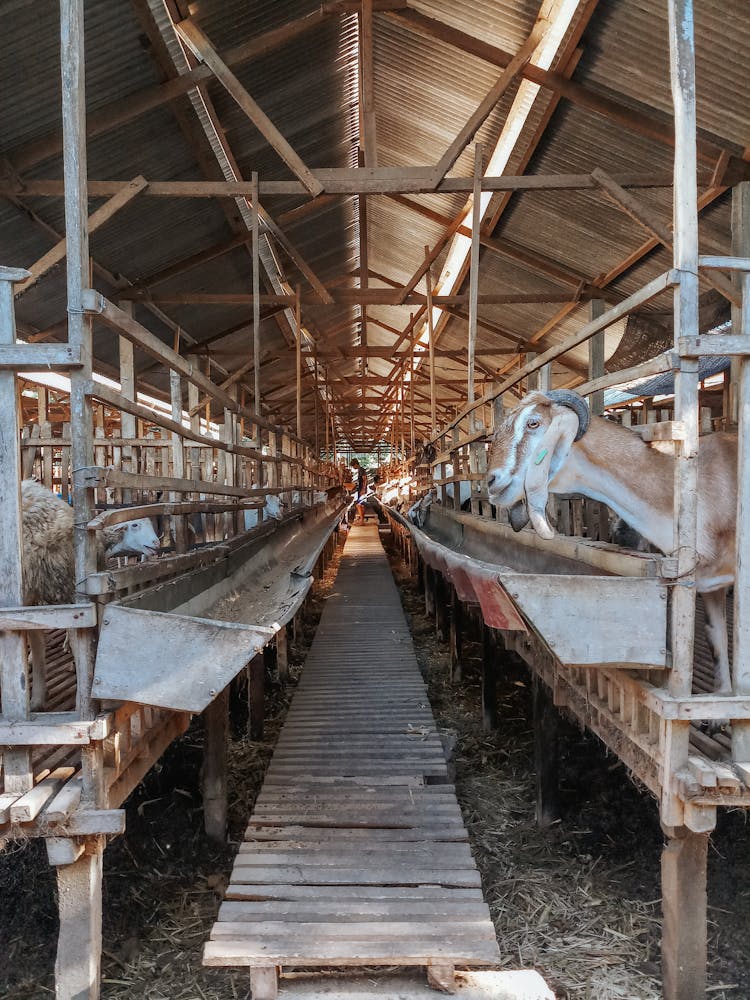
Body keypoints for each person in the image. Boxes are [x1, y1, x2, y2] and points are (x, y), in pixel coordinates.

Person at [351, 458, 368, 525]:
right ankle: (362, 520)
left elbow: (365, 480)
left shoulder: (361, 470)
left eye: (353, 466)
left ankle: (362, 520)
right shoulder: (360, 470)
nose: (353, 467)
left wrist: (363, 489)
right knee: (361, 505)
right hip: (361, 488)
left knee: (359, 505)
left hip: (362, 489)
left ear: (356, 464)